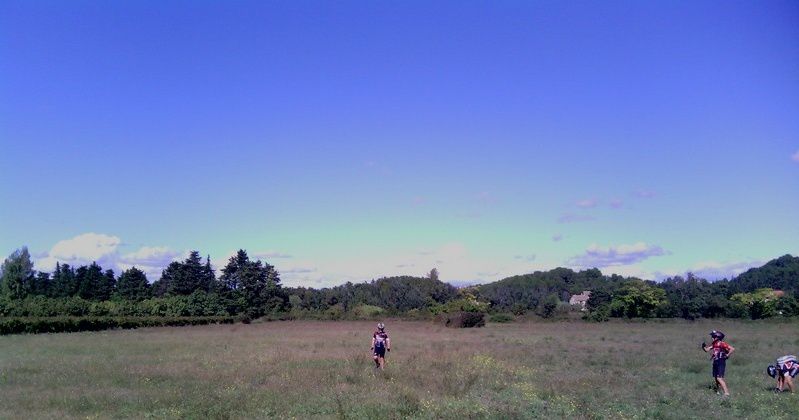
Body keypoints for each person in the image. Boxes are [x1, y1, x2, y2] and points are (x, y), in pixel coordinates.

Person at [701, 330, 734, 396]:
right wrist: (703, 347)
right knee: (716, 378)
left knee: (719, 378)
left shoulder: (722, 343)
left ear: (717, 337)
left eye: (713, 336)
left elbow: (732, 349)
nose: (712, 338)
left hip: (720, 362)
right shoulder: (714, 344)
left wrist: (727, 355)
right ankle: (718, 391)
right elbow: (707, 350)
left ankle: (726, 393)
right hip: (715, 361)